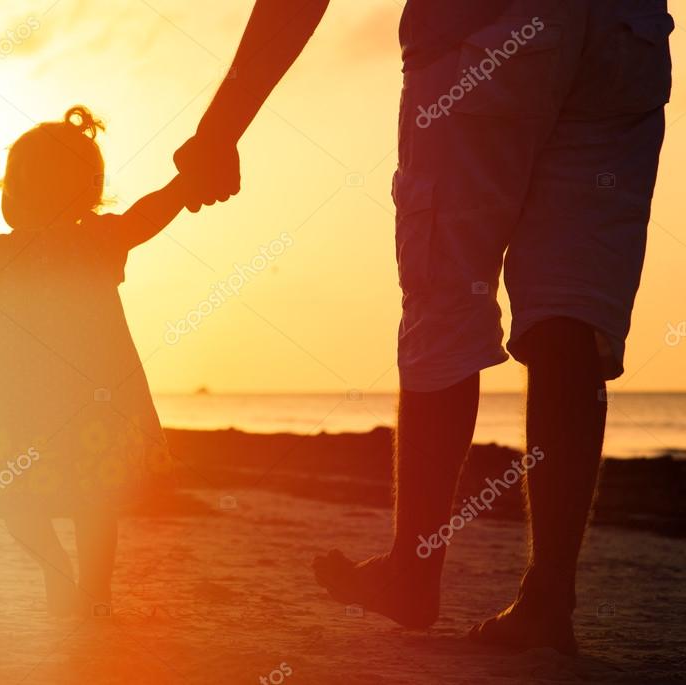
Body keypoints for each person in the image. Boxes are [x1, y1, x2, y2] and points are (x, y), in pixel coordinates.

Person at [175, 0, 674, 654]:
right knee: (570, 318)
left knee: (446, 299)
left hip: (484, 36)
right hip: (624, 35)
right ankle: (548, 599)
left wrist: (219, 129)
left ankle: (413, 569)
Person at [0, 106, 182, 617]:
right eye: (12, 187)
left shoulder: (96, 240)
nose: (15, 198)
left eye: (26, 186)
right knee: (18, 498)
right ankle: (60, 574)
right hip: (26, 401)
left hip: (86, 398)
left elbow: (147, 216)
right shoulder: (0, 254)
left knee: (92, 502)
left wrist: (186, 185)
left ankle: (93, 590)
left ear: (81, 192)